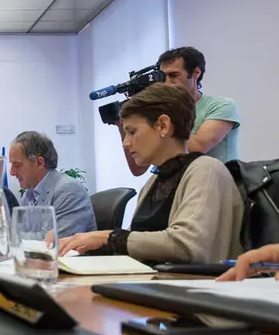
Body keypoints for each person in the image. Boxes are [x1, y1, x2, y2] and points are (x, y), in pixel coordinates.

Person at [60, 83, 243, 264]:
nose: (126, 143)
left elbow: (185, 245)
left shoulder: (206, 170)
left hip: (190, 282)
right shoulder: (155, 181)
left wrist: (109, 238)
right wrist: (82, 244)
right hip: (154, 279)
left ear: (163, 125)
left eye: (132, 131)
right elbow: (136, 241)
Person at [120, 47, 241, 176]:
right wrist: (126, 122)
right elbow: (138, 169)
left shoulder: (222, 105)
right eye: (163, 77)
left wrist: (153, 122)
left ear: (196, 73)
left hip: (215, 182)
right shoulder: (160, 112)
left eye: (173, 75)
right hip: (173, 183)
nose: (167, 82)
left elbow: (199, 147)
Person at [10, 131, 96, 238]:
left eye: (17, 165)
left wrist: (6, 236)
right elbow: (22, 234)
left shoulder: (68, 190)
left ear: (39, 163)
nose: (12, 172)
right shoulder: (29, 194)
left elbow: (56, 241)